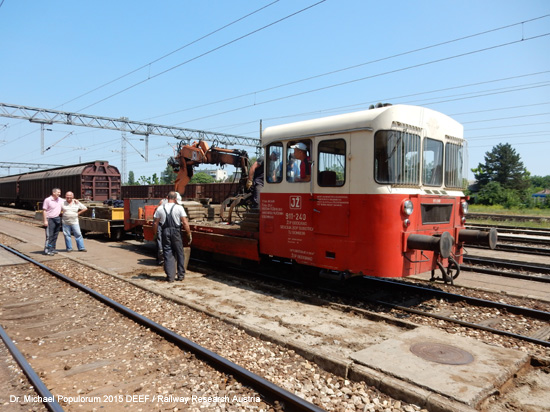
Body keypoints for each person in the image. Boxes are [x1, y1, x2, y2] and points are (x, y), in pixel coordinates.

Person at [152, 191, 192, 283]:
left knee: (167, 253)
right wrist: (188, 234)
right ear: (175, 199)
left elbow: (155, 223)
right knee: (179, 253)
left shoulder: (160, 208)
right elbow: (185, 223)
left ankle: (170, 277)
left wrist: (155, 234)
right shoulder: (179, 208)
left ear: (167, 197)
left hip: (165, 231)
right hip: (176, 232)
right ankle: (181, 275)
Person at [43, 188, 64, 255]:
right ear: (53, 193)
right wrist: (45, 221)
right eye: (58, 192)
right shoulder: (47, 200)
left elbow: (68, 200)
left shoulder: (60, 200)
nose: (59, 194)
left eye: (60, 192)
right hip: (50, 219)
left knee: (55, 235)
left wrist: (75, 200)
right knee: (49, 235)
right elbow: (44, 211)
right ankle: (47, 250)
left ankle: (53, 248)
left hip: (57, 219)